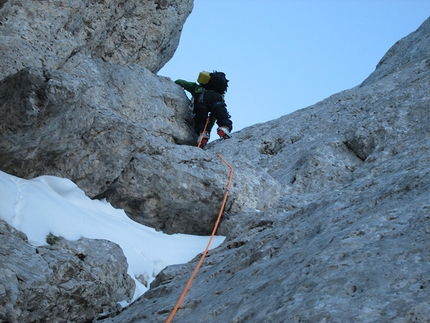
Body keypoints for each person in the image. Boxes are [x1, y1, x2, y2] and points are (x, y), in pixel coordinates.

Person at [175, 71, 233, 149]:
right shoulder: (219, 96)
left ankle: (203, 132)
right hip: (216, 101)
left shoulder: (197, 88)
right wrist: (209, 128)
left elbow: (182, 82)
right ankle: (224, 127)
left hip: (201, 101)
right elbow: (213, 118)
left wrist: (175, 83)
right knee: (221, 113)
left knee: (200, 118)